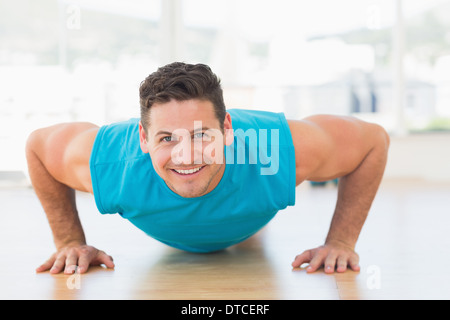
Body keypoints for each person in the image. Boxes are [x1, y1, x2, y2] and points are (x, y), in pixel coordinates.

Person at [25, 62, 390, 275]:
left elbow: (373, 140)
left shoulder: (279, 150)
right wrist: (69, 241)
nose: (186, 156)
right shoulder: (110, 163)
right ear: (142, 139)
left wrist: (341, 242)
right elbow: (37, 147)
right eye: (166, 138)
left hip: (249, 217)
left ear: (227, 129)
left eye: (202, 135)